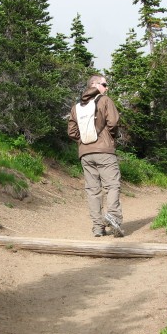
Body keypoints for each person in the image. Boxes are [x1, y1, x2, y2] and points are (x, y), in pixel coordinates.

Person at [68, 74, 124, 238]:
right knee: (112, 185)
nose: (107, 88)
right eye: (104, 84)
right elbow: (113, 123)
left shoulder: (76, 107)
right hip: (104, 151)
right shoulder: (105, 101)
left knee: (93, 191)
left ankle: (98, 227)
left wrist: (84, 142)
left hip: (85, 153)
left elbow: (71, 132)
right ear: (94, 84)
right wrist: (109, 137)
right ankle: (113, 217)